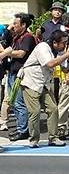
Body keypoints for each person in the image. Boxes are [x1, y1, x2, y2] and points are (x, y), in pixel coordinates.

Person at [21, 30, 69, 147]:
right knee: (35, 111)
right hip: (31, 82)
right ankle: (33, 140)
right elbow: (50, 64)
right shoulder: (43, 47)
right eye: (63, 43)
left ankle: (53, 138)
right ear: (55, 42)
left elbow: (65, 70)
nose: (65, 45)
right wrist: (67, 54)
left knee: (53, 109)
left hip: (44, 84)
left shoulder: (56, 51)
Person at [1, 13, 37, 141]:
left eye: (16, 24)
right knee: (13, 102)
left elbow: (21, 54)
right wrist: (8, 30)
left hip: (20, 74)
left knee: (18, 102)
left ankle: (24, 130)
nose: (13, 25)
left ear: (24, 25)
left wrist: (7, 53)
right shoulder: (16, 37)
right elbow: (5, 44)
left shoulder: (27, 37)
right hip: (12, 72)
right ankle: (21, 126)